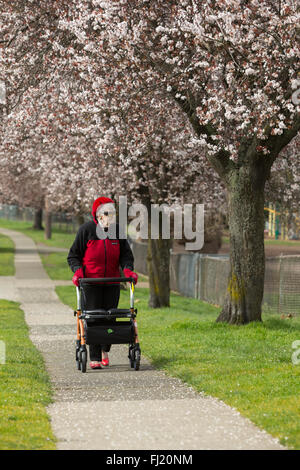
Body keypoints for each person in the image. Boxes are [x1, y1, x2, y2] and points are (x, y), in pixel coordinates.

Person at [67, 196, 138, 369]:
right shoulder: (86, 230)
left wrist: (127, 269)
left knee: (110, 317)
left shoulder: (117, 231)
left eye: (113, 213)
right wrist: (78, 271)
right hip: (90, 283)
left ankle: (105, 350)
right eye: (107, 213)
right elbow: (73, 255)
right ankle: (95, 357)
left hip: (113, 282)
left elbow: (126, 255)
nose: (110, 216)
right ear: (98, 215)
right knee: (93, 318)